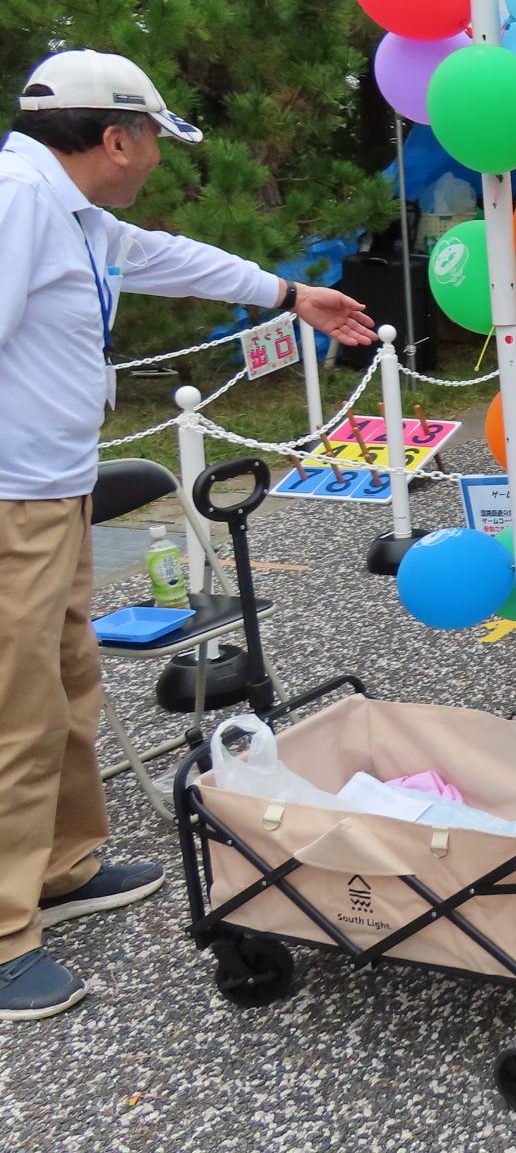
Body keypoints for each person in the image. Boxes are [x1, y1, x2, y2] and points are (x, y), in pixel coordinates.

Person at [0, 49, 376, 1020]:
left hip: (54, 491)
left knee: (71, 679)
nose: (159, 154)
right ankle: (3, 934)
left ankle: (64, 863)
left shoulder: (75, 213)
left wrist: (293, 297)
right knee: (16, 708)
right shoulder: (18, 199)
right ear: (117, 136)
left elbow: (173, 258)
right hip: (11, 502)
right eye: (157, 136)